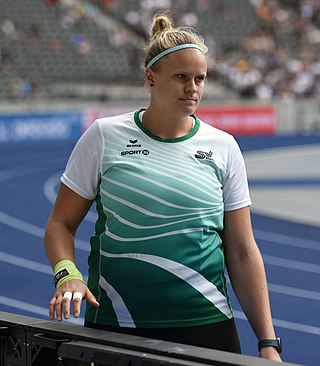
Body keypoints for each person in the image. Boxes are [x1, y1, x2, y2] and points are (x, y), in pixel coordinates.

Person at [44, 13, 282, 362]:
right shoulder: (103, 136)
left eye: (200, 78)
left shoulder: (224, 146)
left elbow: (243, 250)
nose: (193, 88)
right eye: (182, 77)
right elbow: (60, 224)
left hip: (206, 322)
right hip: (117, 321)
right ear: (151, 77)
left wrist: (268, 342)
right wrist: (67, 274)